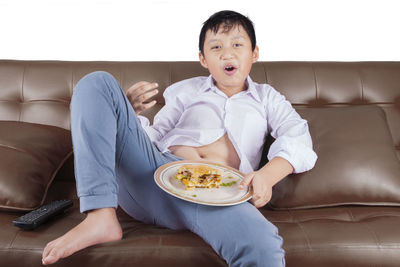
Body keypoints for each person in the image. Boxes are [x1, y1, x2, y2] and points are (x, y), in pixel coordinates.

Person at [42, 10, 317, 266]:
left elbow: (297, 137)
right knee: (96, 82)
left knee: (264, 246)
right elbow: (154, 137)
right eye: (216, 47)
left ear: (254, 53)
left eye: (237, 45)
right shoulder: (185, 91)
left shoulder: (267, 98)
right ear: (203, 59)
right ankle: (100, 216)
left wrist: (266, 176)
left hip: (218, 195)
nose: (226, 54)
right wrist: (122, 113)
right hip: (156, 175)